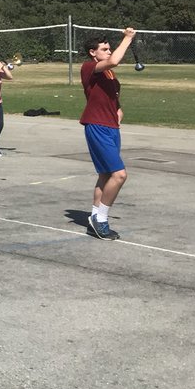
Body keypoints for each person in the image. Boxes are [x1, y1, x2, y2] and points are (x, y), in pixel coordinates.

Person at [79, 28, 136, 240]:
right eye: (104, 49)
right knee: (119, 175)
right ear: (93, 53)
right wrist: (127, 39)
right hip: (97, 125)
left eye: (109, 48)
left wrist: (118, 108)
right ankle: (101, 218)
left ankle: (94, 217)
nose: (109, 51)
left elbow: (111, 94)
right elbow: (114, 61)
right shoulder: (89, 67)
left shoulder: (109, 74)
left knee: (105, 174)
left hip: (111, 126)